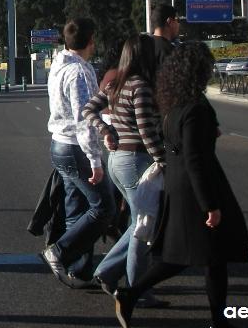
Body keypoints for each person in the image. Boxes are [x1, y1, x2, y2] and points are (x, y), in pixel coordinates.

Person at [115, 43, 248, 328]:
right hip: (196, 186)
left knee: (202, 255)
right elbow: (195, 158)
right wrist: (210, 204)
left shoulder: (174, 104)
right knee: (197, 254)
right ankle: (132, 292)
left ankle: (216, 317)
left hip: (178, 182)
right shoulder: (197, 108)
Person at [83, 34, 167, 307]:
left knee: (136, 224)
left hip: (117, 159)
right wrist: (163, 161)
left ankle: (107, 272)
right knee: (143, 226)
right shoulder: (140, 86)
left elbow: (88, 110)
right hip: (136, 160)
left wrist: (106, 129)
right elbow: (146, 131)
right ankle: (136, 288)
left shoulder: (115, 82)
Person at [43, 18, 115, 288]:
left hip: (59, 144)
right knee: (103, 207)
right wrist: (95, 159)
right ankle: (60, 252)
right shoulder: (79, 72)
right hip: (75, 147)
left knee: (77, 207)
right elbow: (84, 117)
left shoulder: (59, 65)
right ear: (90, 41)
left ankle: (80, 270)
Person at [148, 4, 179, 73]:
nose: (178, 24)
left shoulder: (143, 46)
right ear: (169, 21)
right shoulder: (171, 51)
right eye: (177, 20)